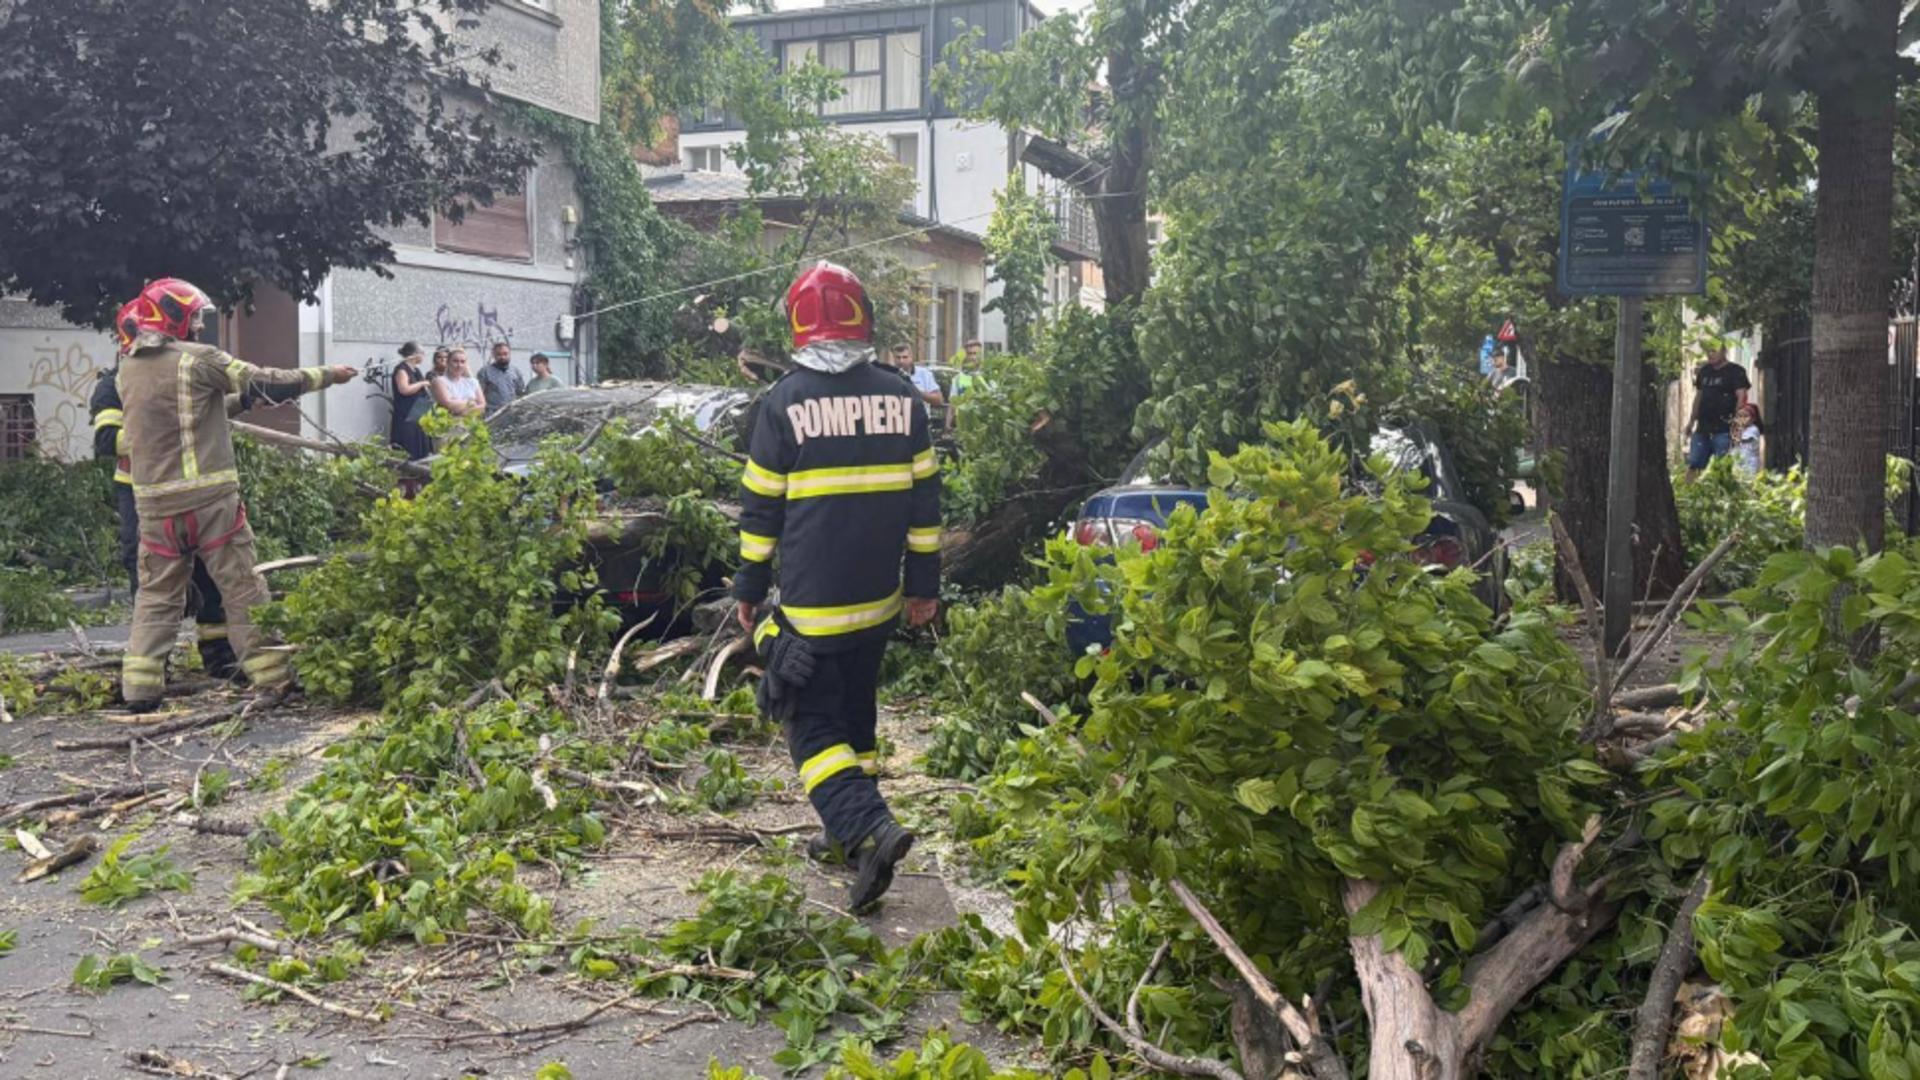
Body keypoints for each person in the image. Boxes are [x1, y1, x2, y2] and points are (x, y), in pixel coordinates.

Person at [734, 261, 941, 912]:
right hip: (879, 602)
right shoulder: (903, 399)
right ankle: (843, 838)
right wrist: (923, 588)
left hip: (812, 609)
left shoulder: (783, 404)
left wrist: (748, 587)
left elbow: (761, 511)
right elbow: (926, 508)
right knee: (856, 714)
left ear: (799, 327)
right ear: (863, 319)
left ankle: (867, 827)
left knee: (810, 725)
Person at [112, 278, 356, 711]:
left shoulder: (128, 369)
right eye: (196, 318)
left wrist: (238, 404)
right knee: (242, 588)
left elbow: (187, 417)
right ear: (176, 318)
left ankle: (140, 690)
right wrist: (327, 376)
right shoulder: (198, 359)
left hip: (154, 509)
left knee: (156, 597)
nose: (201, 326)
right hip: (211, 504)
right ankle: (274, 679)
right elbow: (266, 382)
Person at [1685, 346, 1751, 479]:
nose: (1710, 354)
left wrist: (1737, 426)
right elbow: (1699, 397)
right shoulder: (1705, 371)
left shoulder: (1736, 371)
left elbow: (1742, 398)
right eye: (1708, 351)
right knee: (1694, 465)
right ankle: (1688, 496)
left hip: (1724, 429)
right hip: (1703, 428)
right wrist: (1691, 422)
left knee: (1723, 469)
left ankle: (1721, 497)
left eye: (1713, 350)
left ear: (1724, 351)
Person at [389, 342, 434, 460]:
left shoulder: (416, 370)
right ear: (414, 354)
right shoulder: (402, 370)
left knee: (422, 446)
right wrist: (422, 383)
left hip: (418, 413)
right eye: (421, 353)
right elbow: (404, 389)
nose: (424, 355)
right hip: (406, 414)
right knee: (408, 447)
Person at [432, 348, 486, 417]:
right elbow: (448, 404)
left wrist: (460, 409)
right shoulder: (439, 381)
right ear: (448, 363)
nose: (459, 365)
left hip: (473, 424)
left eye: (462, 362)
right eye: (455, 361)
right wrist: (471, 403)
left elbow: (482, 406)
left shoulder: (473, 382)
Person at [888, 343, 945, 408]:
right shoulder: (887, 375)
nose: (901, 361)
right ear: (893, 358)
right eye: (898, 357)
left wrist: (916, 392)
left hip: (919, 417)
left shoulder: (924, 373)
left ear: (911, 357)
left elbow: (939, 400)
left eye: (905, 357)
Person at [478, 341, 525, 414]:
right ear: (493, 355)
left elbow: (520, 393)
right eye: (499, 354)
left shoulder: (516, 372)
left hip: (511, 412)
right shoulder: (485, 372)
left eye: (505, 354)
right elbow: (479, 394)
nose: (503, 357)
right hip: (492, 413)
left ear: (510, 354)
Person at [1733, 403, 1764, 476]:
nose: (1742, 419)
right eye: (1740, 416)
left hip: (1749, 461)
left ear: (1753, 419)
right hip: (1739, 461)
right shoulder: (1740, 429)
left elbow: (1742, 439)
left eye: (1746, 416)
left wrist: (1736, 434)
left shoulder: (1753, 429)